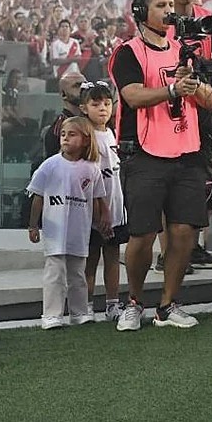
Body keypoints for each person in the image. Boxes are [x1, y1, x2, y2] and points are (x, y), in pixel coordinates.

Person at [109, 0, 212, 331]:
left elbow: (209, 100)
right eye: (161, 5)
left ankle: (168, 304)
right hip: (144, 151)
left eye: (171, 4)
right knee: (141, 234)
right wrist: (172, 87)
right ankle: (134, 301)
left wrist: (194, 84)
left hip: (186, 150)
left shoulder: (183, 50)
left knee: (184, 231)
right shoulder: (128, 52)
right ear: (141, 12)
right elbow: (133, 96)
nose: (169, 11)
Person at [163, 0, 212, 271]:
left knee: (204, 181)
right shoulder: (159, 21)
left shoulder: (209, 20)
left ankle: (196, 246)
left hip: (204, 109)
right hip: (167, 109)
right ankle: (168, 252)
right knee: (169, 182)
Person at [27, 117, 109, 330]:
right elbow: (37, 196)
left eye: (72, 134)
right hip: (55, 231)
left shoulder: (92, 169)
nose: (65, 138)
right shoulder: (50, 165)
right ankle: (51, 315)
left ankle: (79, 312)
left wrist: (102, 222)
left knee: (78, 274)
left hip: (79, 231)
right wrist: (33, 225)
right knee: (54, 272)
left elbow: (98, 199)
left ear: (85, 140)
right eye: (63, 134)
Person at [79, 81, 128, 321]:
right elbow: (91, 178)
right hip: (94, 211)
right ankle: (86, 306)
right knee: (91, 259)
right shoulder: (86, 137)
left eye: (107, 103)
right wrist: (101, 212)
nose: (103, 109)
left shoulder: (111, 133)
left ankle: (112, 304)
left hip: (116, 208)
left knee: (112, 257)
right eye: (95, 104)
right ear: (84, 107)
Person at [41, 71, 86, 162]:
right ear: (63, 94)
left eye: (85, 85)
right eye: (77, 86)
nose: (83, 89)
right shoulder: (58, 129)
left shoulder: (93, 120)